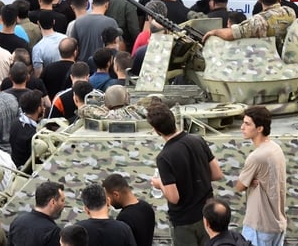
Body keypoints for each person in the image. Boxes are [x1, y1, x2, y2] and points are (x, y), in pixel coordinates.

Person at [148, 101, 224, 246]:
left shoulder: (164, 157)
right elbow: (217, 174)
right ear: (173, 120)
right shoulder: (197, 140)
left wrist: (159, 184)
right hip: (208, 216)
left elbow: (174, 197)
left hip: (184, 222)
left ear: (156, 130)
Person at [236, 106, 286, 246]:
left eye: (247, 124)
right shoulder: (275, 148)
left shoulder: (256, 157)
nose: (242, 127)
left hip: (259, 225)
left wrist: (249, 180)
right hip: (276, 223)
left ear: (260, 128)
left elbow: (240, 186)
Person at [203, 0, 295, 55]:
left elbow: (231, 33)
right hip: (286, 65)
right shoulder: (290, 12)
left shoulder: (258, 21)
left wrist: (214, 32)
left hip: (266, 69)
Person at [102, 174, 156, 246]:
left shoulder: (124, 218)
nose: (108, 202)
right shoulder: (147, 207)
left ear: (116, 195)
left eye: (108, 198)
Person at [8, 181, 65, 246]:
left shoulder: (18, 220)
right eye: (62, 200)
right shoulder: (53, 232)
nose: (64, 204)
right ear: (53, 202)